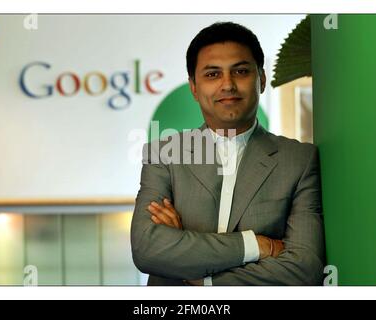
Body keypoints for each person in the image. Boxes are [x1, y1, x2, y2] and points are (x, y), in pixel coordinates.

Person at [131, 21, 325, 285]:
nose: (228, 85)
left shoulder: (298, 161)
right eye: (212, 74)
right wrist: (257, 245)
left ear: (262, 79)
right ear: (194, 88)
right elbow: (147, 250)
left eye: (241, 71)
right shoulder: (164, 155)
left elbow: (304, 269)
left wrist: (201, 276)